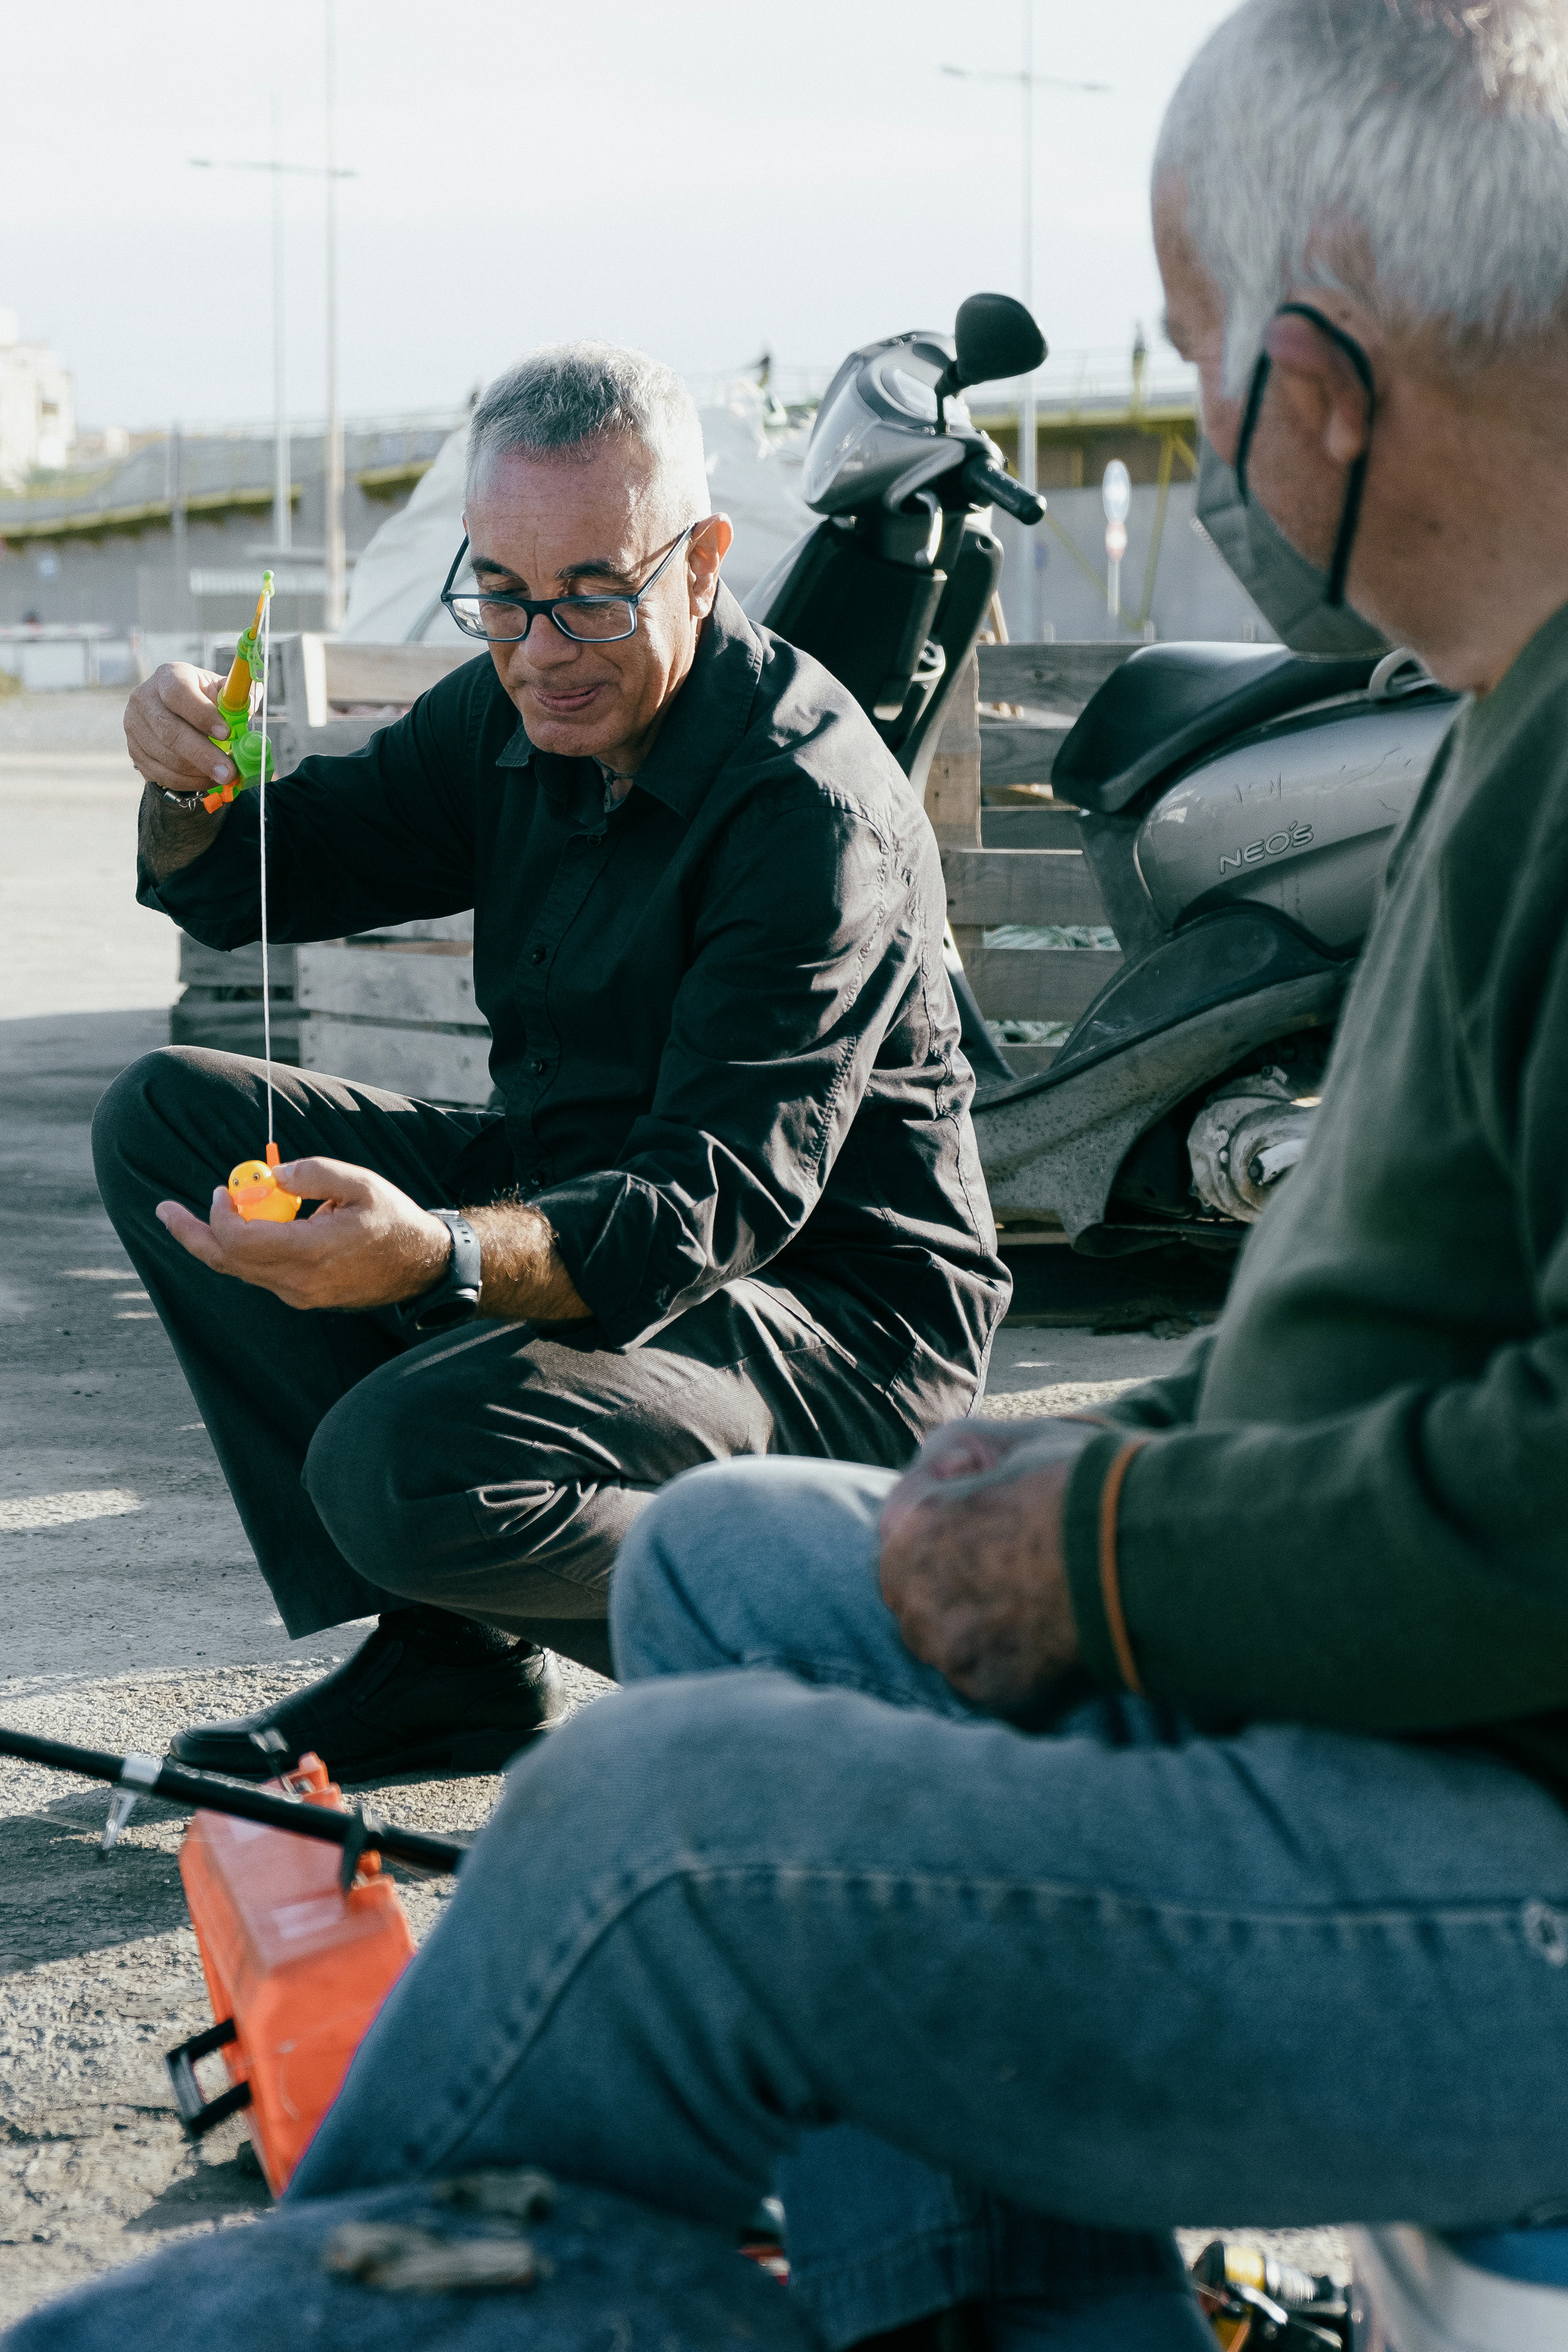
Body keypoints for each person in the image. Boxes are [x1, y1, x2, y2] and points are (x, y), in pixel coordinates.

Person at [265, 2, 1568, 2345]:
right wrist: (1111, 1473)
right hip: (1404, 1692)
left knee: (651, 1834)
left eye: (1195, 365)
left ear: (1325, 373)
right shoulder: (1503, 712)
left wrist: (1092, 1543)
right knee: (734, 1574)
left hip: (1513, 1841)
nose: (1204, 448)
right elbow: (1399, 1324)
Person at [97, 343, 1007, 1784]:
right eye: (504, 597)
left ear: (702, 562)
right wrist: (191, 782)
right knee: (171, 1117)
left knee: (398, 1462)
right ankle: (453, 1663)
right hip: (587, 1194)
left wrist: (437, 1254)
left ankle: (844, 1663)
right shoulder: (516, 704)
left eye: (593, 592)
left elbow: (702, 1210)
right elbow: (265, 874)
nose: (539, 647)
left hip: (828, 1323)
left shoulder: (802, 807)